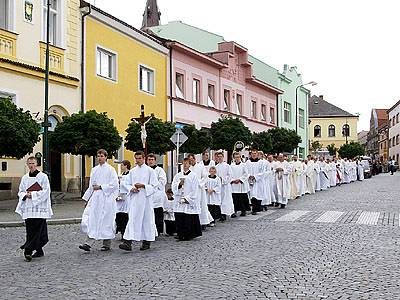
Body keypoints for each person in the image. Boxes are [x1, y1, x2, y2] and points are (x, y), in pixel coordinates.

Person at [79, 149, 119, 252]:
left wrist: (101, 187)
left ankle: (107, 243)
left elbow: (114, 184)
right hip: (96, 199)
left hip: (106, 198)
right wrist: (87, 199)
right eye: (98, 156)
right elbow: (91, 186)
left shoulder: (111, 170)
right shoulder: (94, 170)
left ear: (106, 157)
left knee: (106, 220)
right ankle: (88, 243)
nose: (100, 158)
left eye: (102, 156)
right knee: (93, 219)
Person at [119, 151, 158, 251]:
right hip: (135, 200)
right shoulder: (132, 171)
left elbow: (154, 186)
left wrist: (144, 186)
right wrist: (131, 188)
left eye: (140, 158)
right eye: (136, 158)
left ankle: (146, 242)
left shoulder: (150, 171)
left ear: (144, 158)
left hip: (145, 200)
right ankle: (128, 242)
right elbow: (126, 184)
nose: (138, 160)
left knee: (146, 220)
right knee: (132, 220)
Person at [16, 157, 53, 261]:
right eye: (29, 163)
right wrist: (25, 195)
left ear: (36, 164)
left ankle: (28, 250)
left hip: (39, 208)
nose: (31, 165)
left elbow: (46, 191)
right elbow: (20, 191)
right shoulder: (25, 178)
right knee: (30, 230)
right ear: (27, 164)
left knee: (39, 230)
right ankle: (39, 250)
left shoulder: (43, 177)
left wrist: (32, 194)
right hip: (29, 208)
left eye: (33, 163)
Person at [172, 157, 202, 241]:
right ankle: (180, 234)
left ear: (189, 165)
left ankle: (188, 235)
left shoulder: (193, 176)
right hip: (179, 199)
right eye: (183, 163)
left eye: (186, 163)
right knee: (179, 217)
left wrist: (187, 198)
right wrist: (179, 184)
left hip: (188, 199)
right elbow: (173, 186)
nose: (184, 165)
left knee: (188, 218)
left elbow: (195, 189)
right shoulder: (178, 175)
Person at [187, 153, 213, 229]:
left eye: (192, 159)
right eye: (190, 160)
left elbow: (205, 176)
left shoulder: (200, 167)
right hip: (191, 190)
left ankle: (203, 222)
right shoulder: (188, 168)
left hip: (199, 189)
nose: (191, 161)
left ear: (195, 159)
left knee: (202, 205)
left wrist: (199, 183)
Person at [147, 153, 167, 236]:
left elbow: (162, 181)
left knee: (158, 213)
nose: (150, 161)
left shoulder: (159, 170)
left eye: (152, 160)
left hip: (157, 195)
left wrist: (154, 185)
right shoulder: (146, 170)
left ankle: (158, 231)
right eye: (149, 160)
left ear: (155, 161)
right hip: (148, 195)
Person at [215, 151, 235, 221]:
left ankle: (225, 214)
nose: (220, 158)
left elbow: (230, 176)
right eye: (218, 157)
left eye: (221, 157)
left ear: (223, 157)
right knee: (219, 200)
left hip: (225, 186)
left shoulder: (227, 166)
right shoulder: (216, 166)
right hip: (219, 186)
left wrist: (223, 179)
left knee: (226, 200)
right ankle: (220, 214)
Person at [115, 160, 131, 240]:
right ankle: (120, 230)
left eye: (122, 165)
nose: (121, 167)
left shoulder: (130, 175)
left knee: (125, 216)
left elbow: (129, 185)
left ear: (126, 166)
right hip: (120, 197)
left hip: (127, 197)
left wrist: (122, 183)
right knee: (118, 215)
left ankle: (125, 233)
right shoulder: (121, 175)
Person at [230, 152, 250, 217]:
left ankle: (243, 210)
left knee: (242, 198)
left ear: (240, 157)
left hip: (241, 184)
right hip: (234, 184)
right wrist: (233, 180)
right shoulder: (231, 165)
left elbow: (246, 174)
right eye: (235, 157)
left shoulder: (244, 165)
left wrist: (240, 179)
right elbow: (229, 174)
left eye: (238, 157)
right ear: (234, 158)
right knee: (234, 198)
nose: (237, 158)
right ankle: (234, 211)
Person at [246, 149, 265, 214]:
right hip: (250, 181)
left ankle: (257, 209)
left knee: (258, 195)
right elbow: (245, 171)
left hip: (258, 181)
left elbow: (263, 172)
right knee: (252, 195)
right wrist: (249, 176)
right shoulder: (248, 162)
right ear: (251, 154)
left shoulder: (261, 162)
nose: (254, 155)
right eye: (252, 153)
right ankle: (254, 209)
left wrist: (255, 176)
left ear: (257, 154)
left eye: (255, 153)